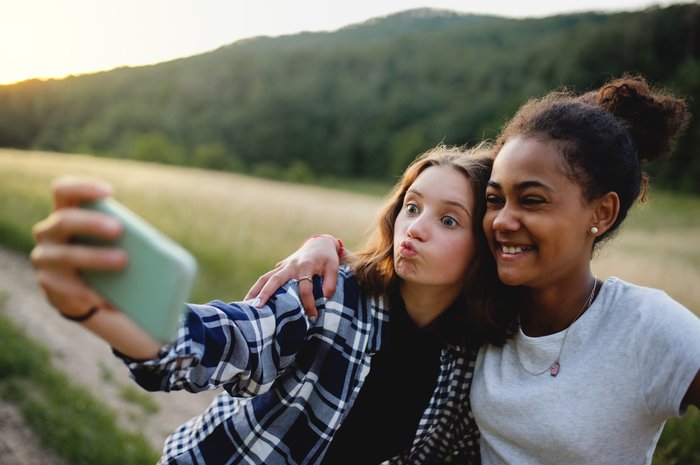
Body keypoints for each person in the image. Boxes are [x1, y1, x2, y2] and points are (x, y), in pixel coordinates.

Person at [247, 75, 700, 464]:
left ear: (600, 213)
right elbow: (399, 274)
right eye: (495, 199)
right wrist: (324, 246)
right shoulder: (485, 315)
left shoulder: (643, 326)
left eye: (533, 200)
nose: (502, 220)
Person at [30, 145, 517, 464]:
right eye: (412, 206)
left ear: (484, 246)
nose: (417, 227)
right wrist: (105, 313)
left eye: (449, 220)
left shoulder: (471, 364)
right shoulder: (332, 294)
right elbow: (234, 340)